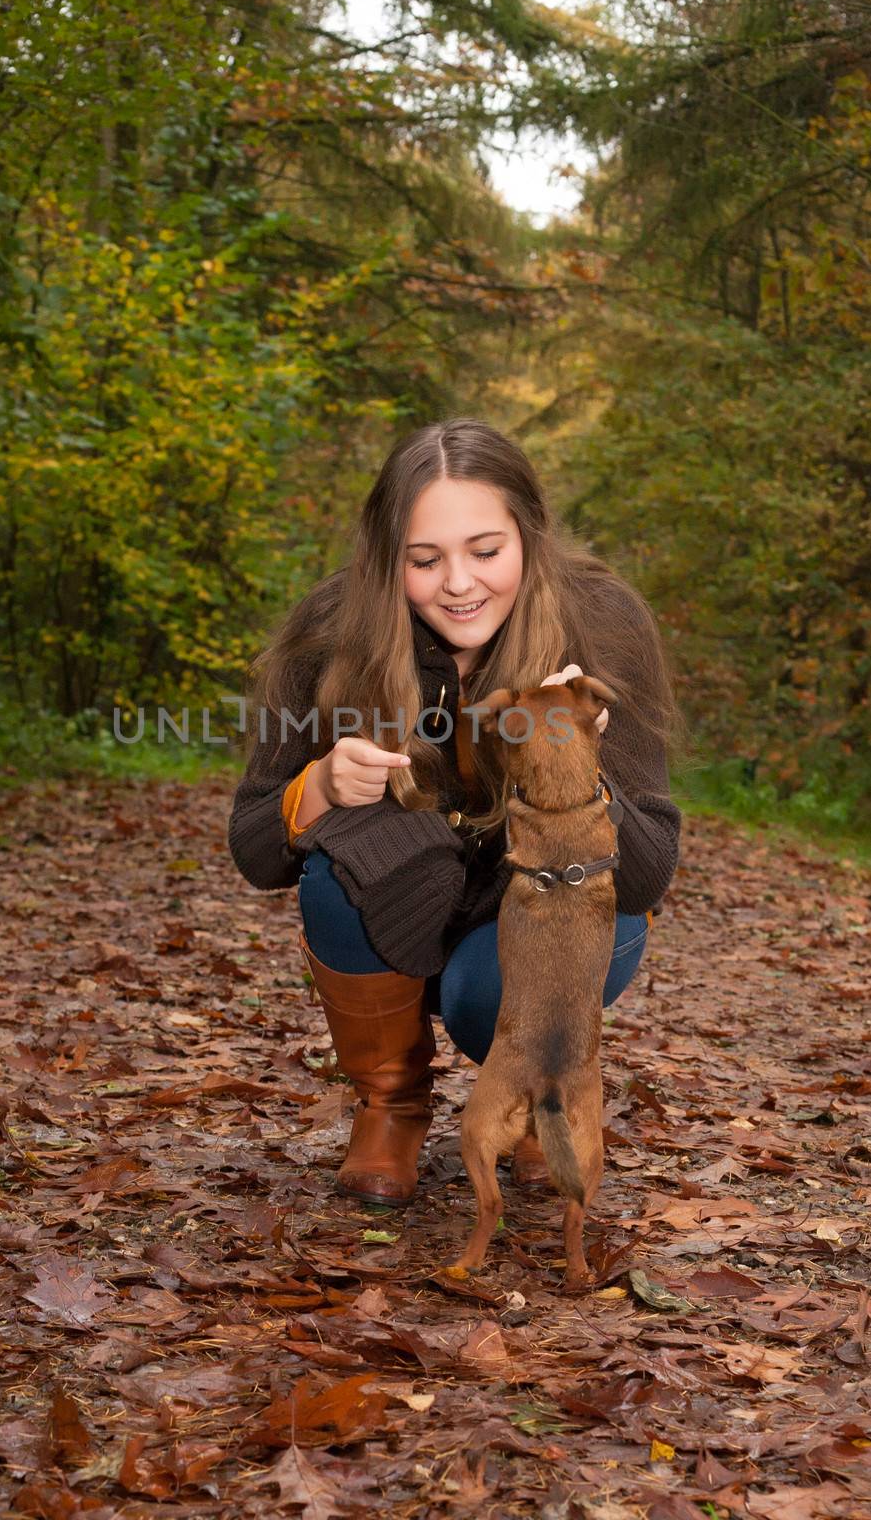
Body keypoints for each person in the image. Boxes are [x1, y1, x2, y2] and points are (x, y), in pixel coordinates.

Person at [227, 419, 684, 1209]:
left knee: (485, 1000)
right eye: (423, 559)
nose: (458, 584)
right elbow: (256, 852)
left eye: (484, 550)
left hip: (549, 915)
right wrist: (322, 784)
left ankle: (544, 1102)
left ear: (529, 537)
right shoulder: (331, 633)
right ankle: (391, 1108)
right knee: (338, 864)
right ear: (385, 559)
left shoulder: (601, 620)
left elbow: (646, 875)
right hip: (406, 905)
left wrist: (573, 762)